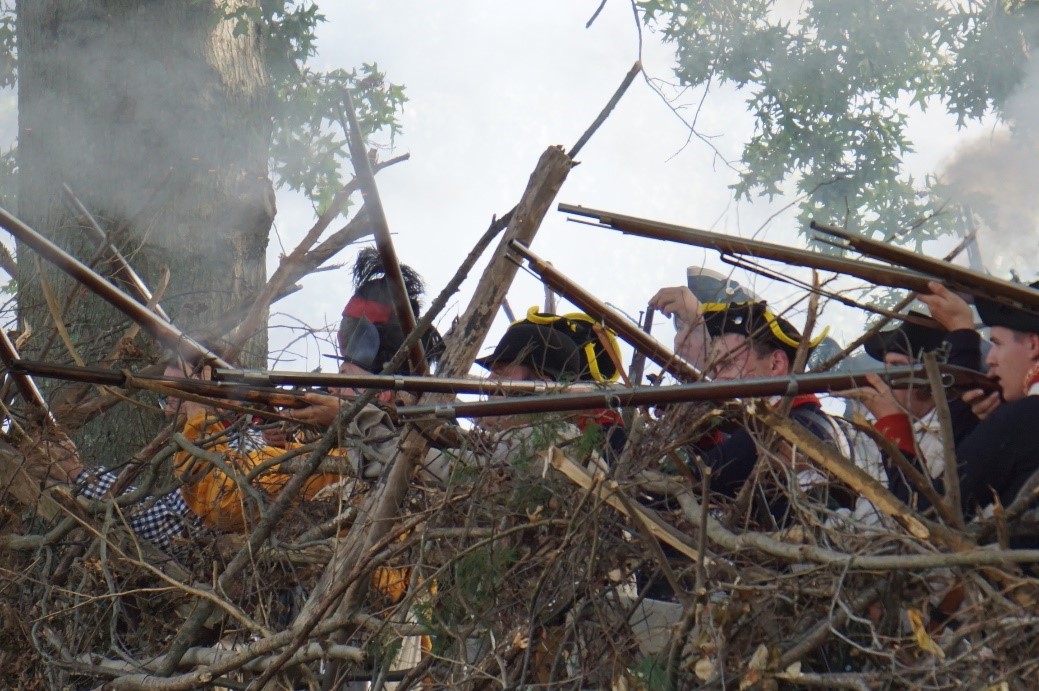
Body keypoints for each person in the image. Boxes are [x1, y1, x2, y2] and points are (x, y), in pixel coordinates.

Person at [649, 287, 854, 526]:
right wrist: (701, 437)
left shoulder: (800, 426)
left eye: (727, 363)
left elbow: (694, 482)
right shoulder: (786, 424)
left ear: (776, 364)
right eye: (714, 371)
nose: (718, 381)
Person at [867, 281, 1039, 531]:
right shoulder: (1019, 418)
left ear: (1033, 345)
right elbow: (968, 472)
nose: (990, 358)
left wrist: (892, 427)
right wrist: (980, 423)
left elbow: (927, 516)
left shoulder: (1024, 417)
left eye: (998, 343)